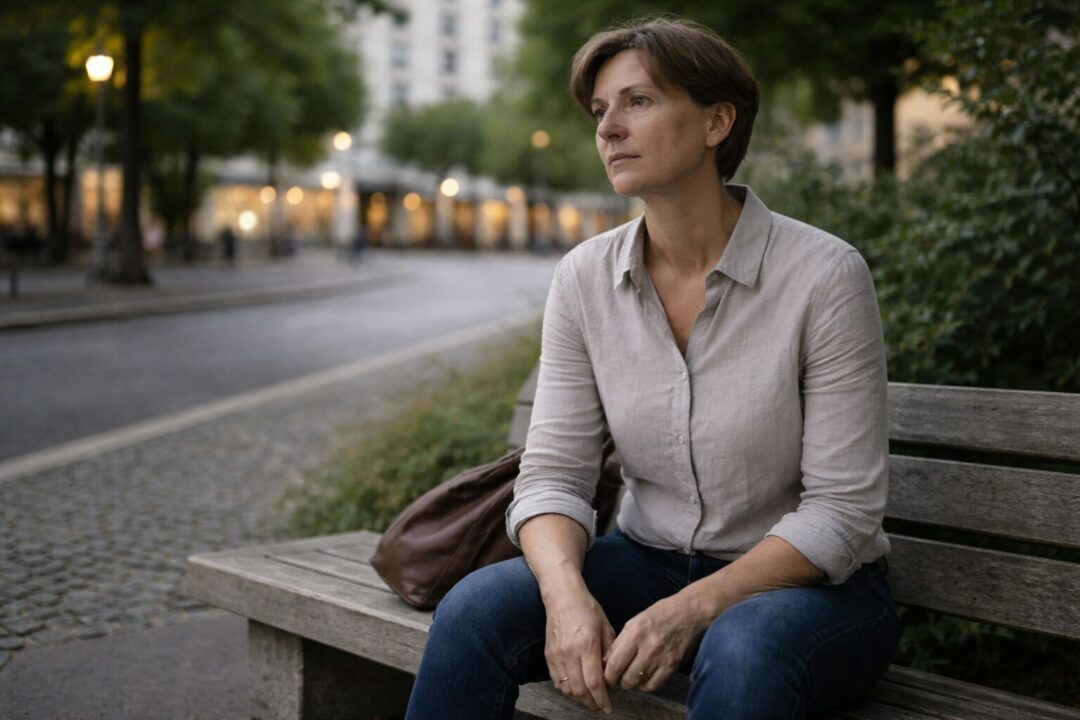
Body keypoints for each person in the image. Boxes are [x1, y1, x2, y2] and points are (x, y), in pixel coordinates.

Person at [405, 17, 898, 720]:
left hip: (807, 589)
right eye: (600, 110)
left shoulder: (824, 275)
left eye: (638, 102)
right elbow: (553, 474)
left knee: (743, 649)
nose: (609, 129)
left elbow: (842, 513)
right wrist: (566, 596)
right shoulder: (583, 278)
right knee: (475, 609)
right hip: (644, 561)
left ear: (716, 122)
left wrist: (694, 607)